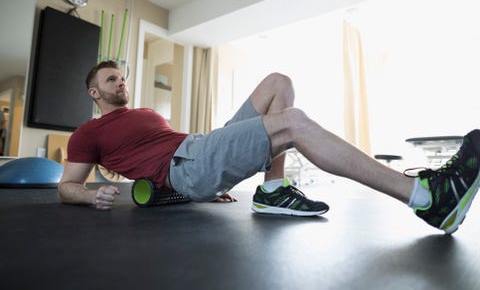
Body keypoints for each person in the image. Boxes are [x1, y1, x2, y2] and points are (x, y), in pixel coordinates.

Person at [58, 60, 480, 234]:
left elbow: (164, 150)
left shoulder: (146, 113)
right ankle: (428, 198)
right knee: (292, 124)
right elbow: (66, 186)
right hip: (188, 165)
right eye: (111, 80)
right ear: (94, 92)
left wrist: (204, 174)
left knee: (279, 83)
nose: (121, 82)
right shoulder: (86, 134)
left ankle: (273, 190)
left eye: (121, 77)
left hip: (197, 150)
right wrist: (93, 194)